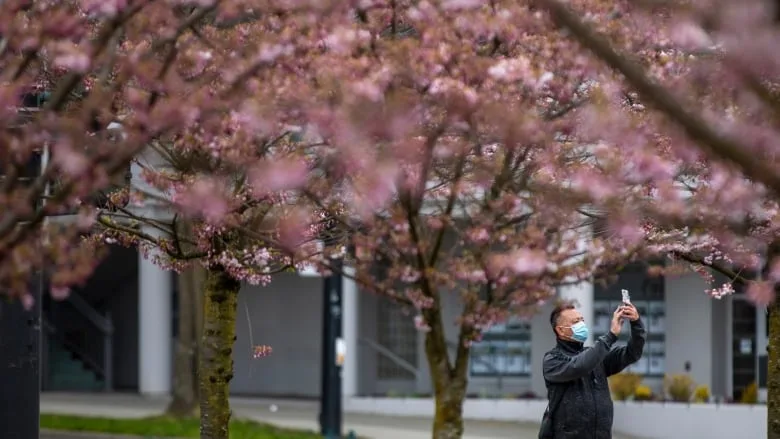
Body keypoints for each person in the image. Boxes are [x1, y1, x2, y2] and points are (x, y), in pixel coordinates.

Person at [541, 301, 646, 439]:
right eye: (575, 321)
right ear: (560, 330)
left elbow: (632, 353)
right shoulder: (553, 360)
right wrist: (611, 336)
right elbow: (579, 366)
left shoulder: (595, 355)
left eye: (582, 320)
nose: (581, 324)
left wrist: (636, 323)